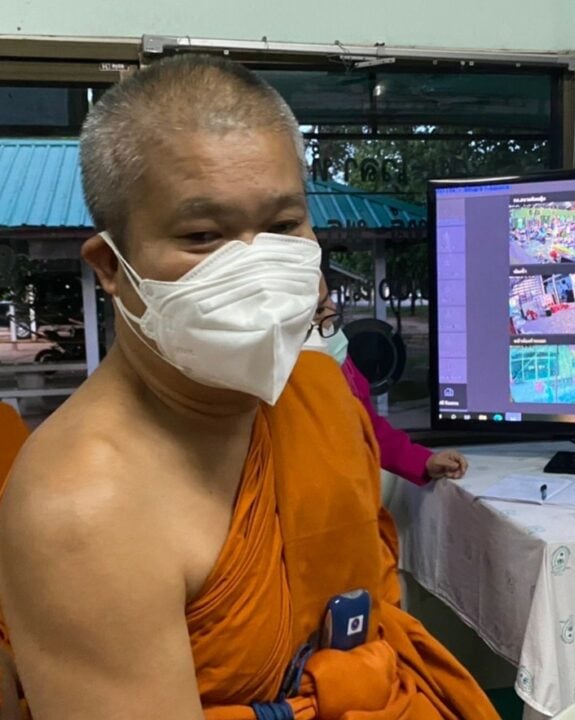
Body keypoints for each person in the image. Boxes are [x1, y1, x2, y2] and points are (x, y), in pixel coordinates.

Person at [0, 54, 498, 720]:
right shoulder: (82, 507)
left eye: (284, 226)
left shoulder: (318, 392)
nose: (257, 267)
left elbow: (370, 610)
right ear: (110, 267)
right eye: (202, 235)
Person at [311, 278, 468, 485]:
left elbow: (367, 428)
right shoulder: (281, 385)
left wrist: (423, 461)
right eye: (320, 310)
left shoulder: (339, 360)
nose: (333, 309)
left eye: (329, 298)